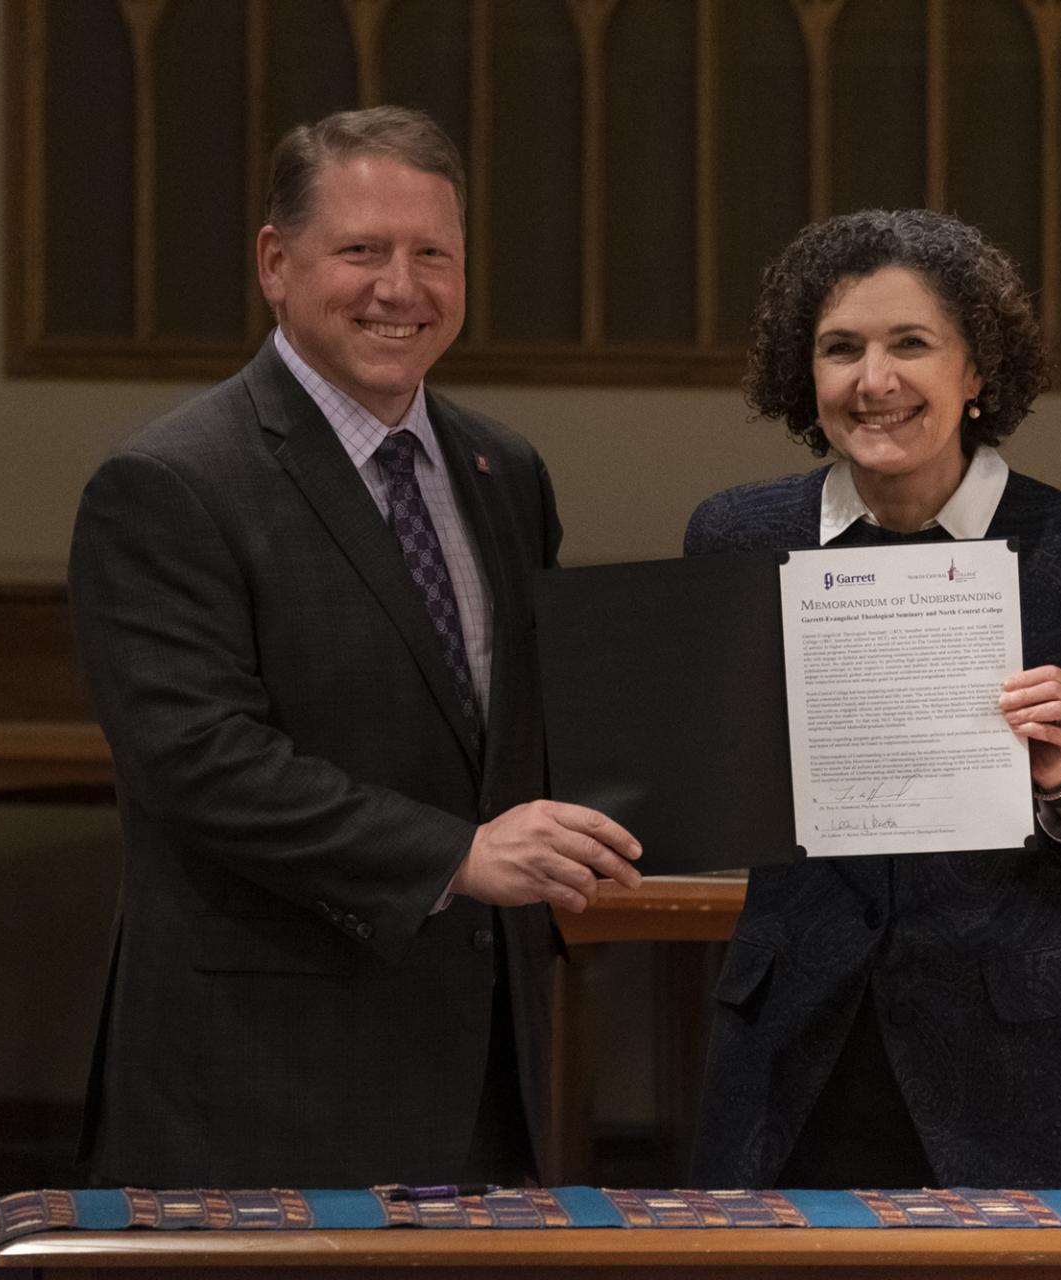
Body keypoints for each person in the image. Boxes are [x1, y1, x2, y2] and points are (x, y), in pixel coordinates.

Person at [67, 106, 641, 1191]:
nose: (401, 287)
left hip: (483, 1069)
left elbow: (540, 730)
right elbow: (199, 762)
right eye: (362, 250)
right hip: (264, 1079)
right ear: (276, 263)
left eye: (433, 254)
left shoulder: (502, 470)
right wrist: (455, 856)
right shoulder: (173, 484)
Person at [687, 209, 1061, 1192]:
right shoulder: (736, 540)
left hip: (1019, 1072)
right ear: (807, 374)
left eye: (910, 343)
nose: (874, 380)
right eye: (841, 349)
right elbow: (701, 767)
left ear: (978, 372)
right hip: (794, 1056)